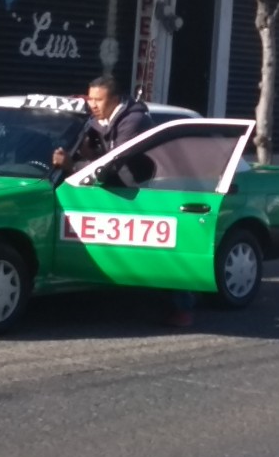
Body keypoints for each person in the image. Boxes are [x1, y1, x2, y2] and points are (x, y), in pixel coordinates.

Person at [52, 76, 196, 327]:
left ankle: (182, 307)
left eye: (99, 100)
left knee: (164, 253)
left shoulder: (134, 121)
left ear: (115, 100)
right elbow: (104, 157)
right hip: (117, 192)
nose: (93, 105)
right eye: (90, 99)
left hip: (147, 193)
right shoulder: (99, 120)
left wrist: (72, 165)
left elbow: (114, 161)